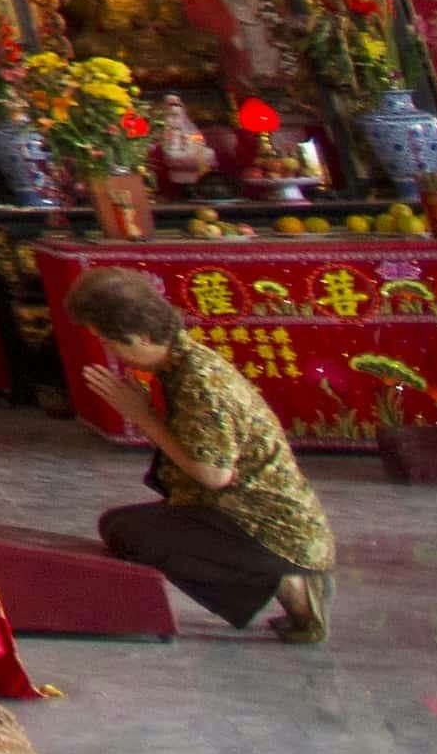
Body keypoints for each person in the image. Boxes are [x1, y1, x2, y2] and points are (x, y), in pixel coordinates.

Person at [68, 269, 333, 640]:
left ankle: (288, 582)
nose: (113, 354)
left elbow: (213, 475)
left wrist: (142, 416)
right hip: (236, 512)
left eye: (112, 344)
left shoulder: (200, 380)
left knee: (135, 536)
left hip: (271, 528)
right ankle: (275, 579)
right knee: (118, 526)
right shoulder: (179, 363)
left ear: (142, 336)